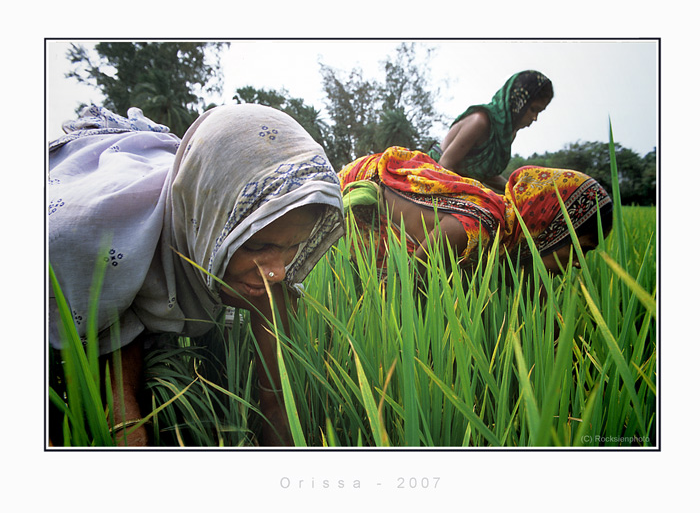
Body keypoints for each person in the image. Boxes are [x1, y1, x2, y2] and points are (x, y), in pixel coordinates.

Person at [48, 104, 345, 446]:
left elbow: (277, 402)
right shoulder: (81, 238)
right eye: (257, 245)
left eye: (293, 246)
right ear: (206, 221)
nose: (276, 272)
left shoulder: (271, 274)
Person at [339, 146, 612, 277]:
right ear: (551, 228)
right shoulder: (477, 227)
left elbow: (533, 303)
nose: (579, 263)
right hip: (360, 184)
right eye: (581, 248)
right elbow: (405, 293)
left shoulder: (510, 240)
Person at [428, 70, 553, 192]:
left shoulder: (506, 134)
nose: (534, 118)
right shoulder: (480, 121)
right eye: (533, 109)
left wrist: (516, 190)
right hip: (432, 176)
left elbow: (484, 173)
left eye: (539, 112)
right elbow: (445, 165)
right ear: (518, 102)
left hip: (458, 184)